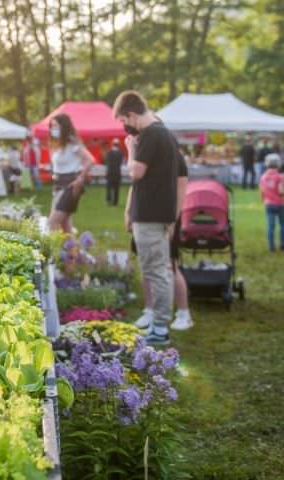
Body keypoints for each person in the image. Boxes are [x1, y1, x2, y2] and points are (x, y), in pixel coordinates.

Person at [113, 90, 179, 345]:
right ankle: (157, 322)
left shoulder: (152, 133)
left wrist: (131, 150)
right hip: (154, 211)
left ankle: (160, 328)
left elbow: (136, 172)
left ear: (131, 114)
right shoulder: (160, 132)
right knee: (154, 269)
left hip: (152, 214)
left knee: (157, 270)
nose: (124, 127)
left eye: (122, 120)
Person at [132, 146, 193, 331]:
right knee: (146, 266)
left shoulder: (175, 159)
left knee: (169, 266)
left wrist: (173, 220)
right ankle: (149, 309)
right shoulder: (147, 157)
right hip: (143, 218)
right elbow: (135, 187)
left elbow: (181, 190)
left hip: (165, 219)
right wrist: (129, 211)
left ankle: (183, 312)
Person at [47, 114, 94, 233]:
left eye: (56, 126)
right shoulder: (57, 145)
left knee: (53, 222)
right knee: (65, 225)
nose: (53, 129)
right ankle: (73, 251)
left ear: (64, 127)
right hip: (58, 185)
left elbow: (90, 160)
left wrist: (81, 178)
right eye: (51, 126)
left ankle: (56, 249)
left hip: (70, 184)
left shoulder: (73, 144)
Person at [259, 153, 284, 252]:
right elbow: (281, 191)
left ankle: (271, 247)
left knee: (270, 226)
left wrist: (264, 201)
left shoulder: (263, 177)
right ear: (278, 164)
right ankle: (282, 244)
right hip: (281, 204)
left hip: (268, 204)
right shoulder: (280, 177)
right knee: (282, 225)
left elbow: (261, 192)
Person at [105, 138, 124, 206]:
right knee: (116, 188)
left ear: (112, 144)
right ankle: (115, 202)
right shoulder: (121, 153)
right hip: (117, 172)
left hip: (110, 172)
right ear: (118, 145)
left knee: (109, 188)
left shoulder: (109, 152)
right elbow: (121, 162)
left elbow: (106, 162)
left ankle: (109, 201)